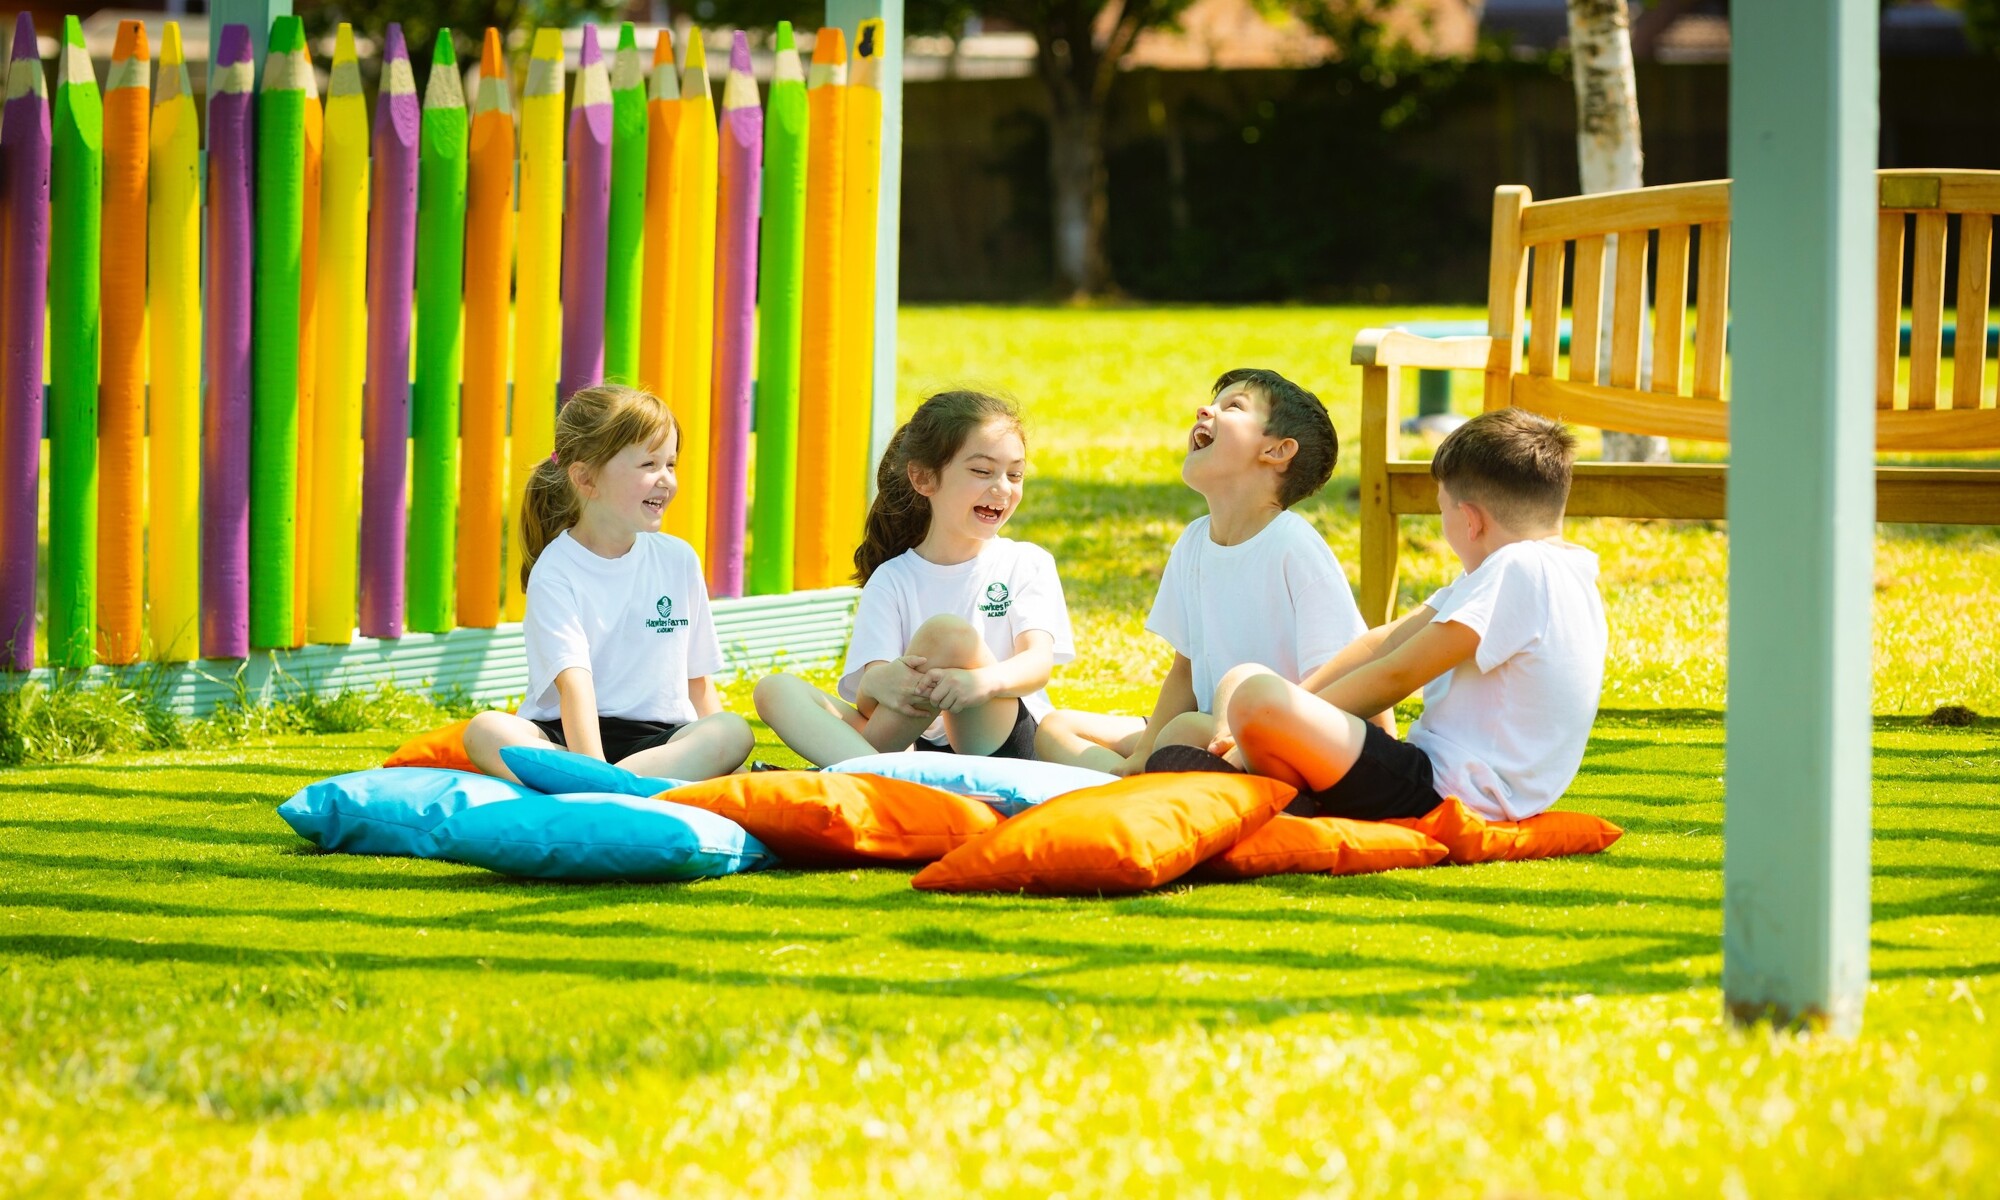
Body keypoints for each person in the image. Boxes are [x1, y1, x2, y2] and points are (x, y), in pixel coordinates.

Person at [1212, 406, 1607, 822]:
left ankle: (1279, 797)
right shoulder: (1560, 571)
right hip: (1434, 779)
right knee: (1248, 686)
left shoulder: (1519, 570)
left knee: (1258, 698)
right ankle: (1252, 757)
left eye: (1443, 512)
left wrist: (1280, 717)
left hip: (1447, 793)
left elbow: (1398, 673)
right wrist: (1295, 707)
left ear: (1470, 521)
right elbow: (1383, 642)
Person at [1035, 368, 1367, 775]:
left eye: (1233, 406)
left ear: (1277, 451)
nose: (1204, 410)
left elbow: (1343, 676)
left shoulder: (1293, 546)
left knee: (1186, 729)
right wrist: (1142, 755)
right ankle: (1130, 781)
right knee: (1055, 726)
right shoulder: (1193, 542)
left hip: (1277, 744)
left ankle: (1133, 783)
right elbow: (1184, 670)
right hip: (1202, 729)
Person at [754, 390, 1074, 766]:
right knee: (775, 689)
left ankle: (854, 772)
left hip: (997, 741)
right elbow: (873, 699)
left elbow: (1037, 665)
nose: (1002, 487)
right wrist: (882, 682)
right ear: (924, 479)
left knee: (948, 635)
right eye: (982, 471)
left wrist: (980, 683)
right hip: (911, 745)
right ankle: (878, 775)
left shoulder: (1026, 562)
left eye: (1015, 474)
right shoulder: (892, 579)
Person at [464, 385, 753, 783]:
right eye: (649, 464)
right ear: (585, 479)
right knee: (485, 731)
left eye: (671, 464)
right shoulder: (557, 570)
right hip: (566, 737)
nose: (665, 479)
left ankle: (603, 785)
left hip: (657, 743)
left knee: (734, 732)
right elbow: (574, 687)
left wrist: (731, 768)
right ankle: (606, 785)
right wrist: (594, 768)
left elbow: (697, 682)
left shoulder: (678, 559)